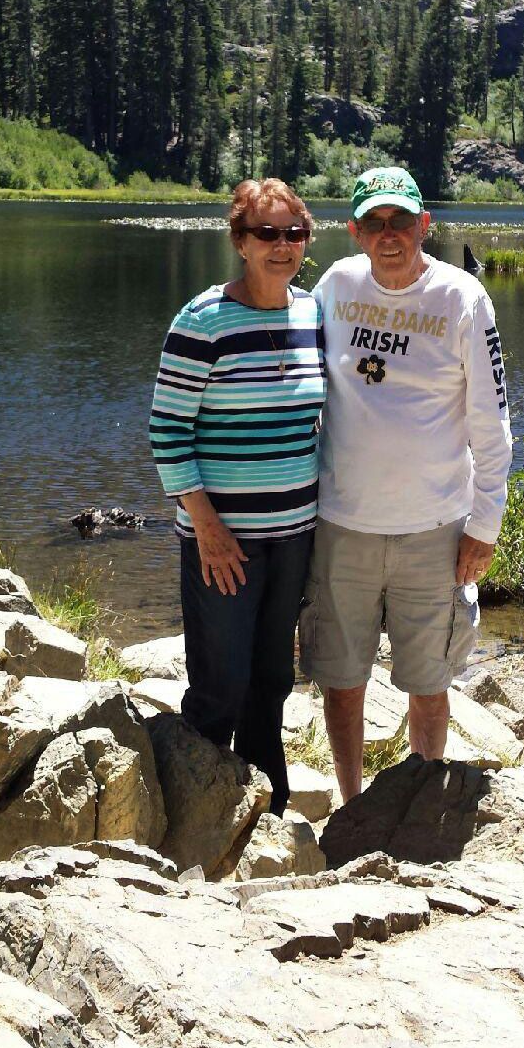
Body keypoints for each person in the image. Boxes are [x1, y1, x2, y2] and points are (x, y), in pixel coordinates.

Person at [300, 165, 512, 801]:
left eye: (399, 220)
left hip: (435, 529)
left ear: (425, 223)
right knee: (343, 681)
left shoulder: (462, 298)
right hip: (343, 524)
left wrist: (485, 525)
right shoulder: (335, 286)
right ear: (354, 231)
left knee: (429, 682)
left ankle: (417, 804)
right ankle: (351, 804)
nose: (387, 234)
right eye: (374, 222)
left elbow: (492, 421)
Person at [149, 179, 326, 815]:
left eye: (294, 233)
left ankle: (265, 810)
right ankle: (193, 814)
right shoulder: (203, 321)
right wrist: (207, 528)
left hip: (294, 536)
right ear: (241, 242)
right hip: (224, 539)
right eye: (266, 233)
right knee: (220, 683)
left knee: (273, 678)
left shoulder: (311, 314)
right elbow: (167, 432)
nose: (282, 246)